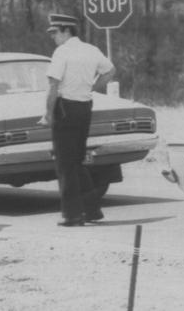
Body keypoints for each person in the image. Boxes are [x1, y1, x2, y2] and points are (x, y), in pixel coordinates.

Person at [38, 14, 116, 226]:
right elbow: (110, 71)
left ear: (66, 30)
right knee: (77, 161)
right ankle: (91, 210)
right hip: (84, 106)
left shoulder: (62, 52)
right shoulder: (91, 50)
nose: (53, 37)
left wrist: (48, 115)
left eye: (55, 32)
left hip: (65, 107)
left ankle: (72, 215)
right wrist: (92, 88)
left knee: (65, 164)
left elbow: (53, 87)